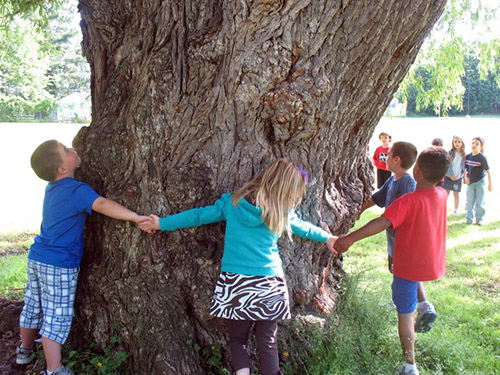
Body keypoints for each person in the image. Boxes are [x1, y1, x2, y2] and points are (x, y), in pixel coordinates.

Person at [139, 159, 337, 375]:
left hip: (237, 282)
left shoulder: (233, 203)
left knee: (238, 340)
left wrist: (162, 223)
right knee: (268, 341)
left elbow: (197, 215)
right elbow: (304, 228)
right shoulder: (280, 212)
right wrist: (328, 237)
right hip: (269, 283)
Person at [16, 140, 151, 375]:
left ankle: (24, 351)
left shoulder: (53, 187)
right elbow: (102, 204)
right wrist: (134, 217)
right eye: (66, 150)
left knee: (33, 307)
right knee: (56, 315)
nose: (72, 149)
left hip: (38, 257)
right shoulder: (76, 190)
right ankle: (54, 368)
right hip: (59, 264)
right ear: (62, 169)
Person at [334, 146, 451, 375]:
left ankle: (410, 366)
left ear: (416, 169)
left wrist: (349, 239)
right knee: (410, 304)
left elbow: (381, 223)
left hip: (407, 267)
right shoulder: (442, 195)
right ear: (442, 177)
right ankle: (425, 304)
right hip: (432, 263)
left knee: (405, 315)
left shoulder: (407, 201)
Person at [464, 137, 493, 225]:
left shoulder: (482, 158)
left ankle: (479, 219)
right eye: (473, 143)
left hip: (480, 182)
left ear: (481, 147)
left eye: (477, 144)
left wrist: (490, 184)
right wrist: (466, 178)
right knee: (469, 201)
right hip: (470, 182)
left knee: (480, 201)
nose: (474, 145)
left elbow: (488, 171)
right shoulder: (468, 157)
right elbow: (465, 170)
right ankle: (469, 218)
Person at [442, 136, 466, 216]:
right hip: (449, 177)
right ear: (453, 143)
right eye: (455, 142)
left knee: (456, 194)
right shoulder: (450, 153)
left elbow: (464, 166)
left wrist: (463, 176)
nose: (457, 143)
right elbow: (447, 165)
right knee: (446, 193)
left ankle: (455, 210)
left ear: (462, 143)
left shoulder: (464, 155)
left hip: (458, 177)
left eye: (459, 142)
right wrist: (451, 174)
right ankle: (442, 209)